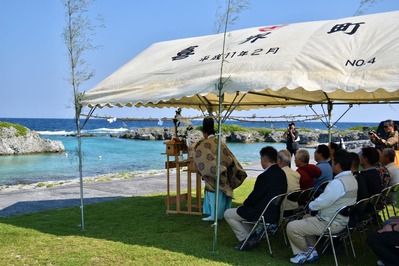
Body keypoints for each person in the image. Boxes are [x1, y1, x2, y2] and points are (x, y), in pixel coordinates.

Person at [286, 149, 358, 264]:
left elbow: (321, 202)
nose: (331, 164)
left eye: (333, 162)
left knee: (291, 227)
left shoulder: (338, 183)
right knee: (306, 218)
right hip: (341, 220)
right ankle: (311, 250)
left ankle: (305, 253)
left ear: (338, 165)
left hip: (330, 222)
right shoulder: (352, 179)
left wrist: (310, 205)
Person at [224, 146, 287, 250]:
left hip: (262, 213)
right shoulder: (281, 173)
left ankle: (246, 239)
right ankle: (252, 236)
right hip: (275, 212)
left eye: (261, 159)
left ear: (265, 159)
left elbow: (254, 197)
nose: (261, 161)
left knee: (228, 214)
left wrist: (245, 204)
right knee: (242, 213)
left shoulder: (265, 176)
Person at [194, 117, 247, 221]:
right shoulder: (220, 142)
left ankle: (214, 215)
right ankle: (223, 214)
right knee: (222, 194)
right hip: (224, 172)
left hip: (214, 174)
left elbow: (199, 158)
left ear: (204, 132)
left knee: (214, 194)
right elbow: (229, 157)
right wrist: (223, 168)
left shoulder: (204, 144)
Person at [277, 149, 301, 216]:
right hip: (293, 206)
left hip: (283, 208)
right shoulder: (296, 174)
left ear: (279, 160)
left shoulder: (278, 175)